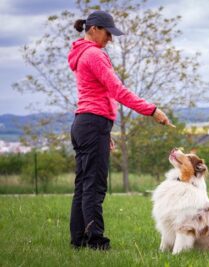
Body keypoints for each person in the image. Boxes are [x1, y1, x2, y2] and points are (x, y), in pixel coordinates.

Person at [67, 10, 172, 250]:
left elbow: (97, 95)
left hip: (86, 123)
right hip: (92, 123)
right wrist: (151, 110)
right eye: (108, 33)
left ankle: (79, 240)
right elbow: (118, 91)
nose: (110, 39)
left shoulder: (81, 53)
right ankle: (96, 242)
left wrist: (105, 130)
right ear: (93, 29)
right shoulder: (94, 54)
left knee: (83, 184)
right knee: (94, 186)